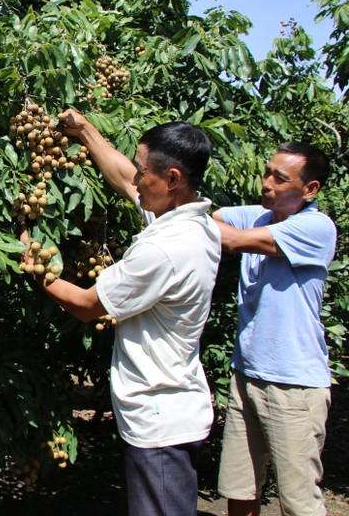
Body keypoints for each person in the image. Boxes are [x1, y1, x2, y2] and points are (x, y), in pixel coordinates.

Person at [25, 109, 221, 515]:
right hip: (171, 408)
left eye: (142, 171)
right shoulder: (194, 221)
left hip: (159, 420)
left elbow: (84, 305)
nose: (134, 179)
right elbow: (121, 176)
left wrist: (29, 259)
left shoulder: (163, 249)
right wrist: (86, 131)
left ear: (171, 179)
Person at [213, 141, 336, 516]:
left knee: (298, 502)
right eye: (267, 172)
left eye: (279, 179)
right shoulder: (260, 215)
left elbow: (231, 239)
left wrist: (204, 222)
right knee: (239, 489)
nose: (266, 182)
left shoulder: (316, 227)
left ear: (310, 189)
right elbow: (209, 215)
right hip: (245, 374)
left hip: (293, 384)